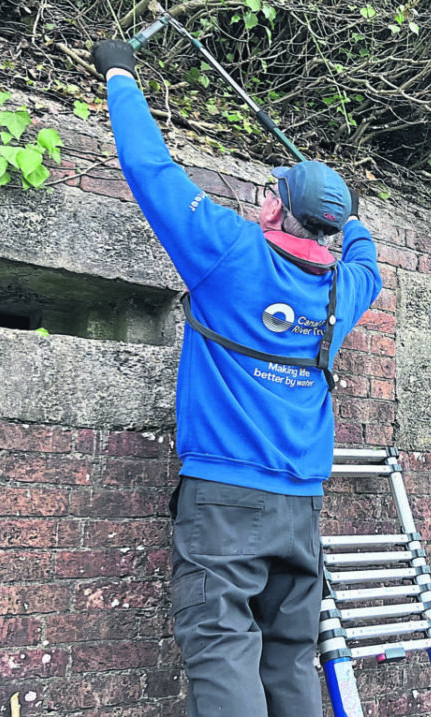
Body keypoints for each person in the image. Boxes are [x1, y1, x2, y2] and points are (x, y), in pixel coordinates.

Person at [92, 39, 383, 717]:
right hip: (300, 506)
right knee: (288, 657)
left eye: (269, 192)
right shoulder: (344, 290)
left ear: (277, 210)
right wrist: (356, 217)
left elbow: (149, 167)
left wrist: (121, 76)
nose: (261, 197)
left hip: (226, 497)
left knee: (221, 647)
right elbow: (366, 256)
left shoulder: (227, 250)